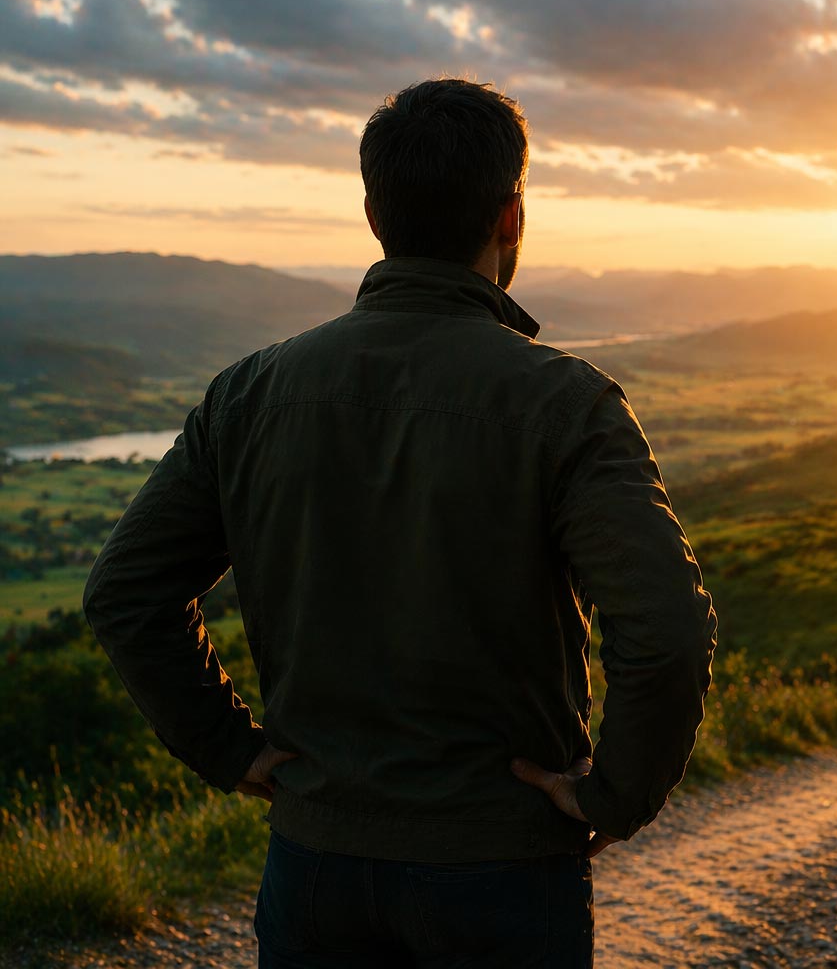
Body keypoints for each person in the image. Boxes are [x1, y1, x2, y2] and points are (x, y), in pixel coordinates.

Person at [82, 77, 718, 967]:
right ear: (510, 217)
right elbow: (668, 633)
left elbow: (124, 594)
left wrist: (230, 748)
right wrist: (614, 796)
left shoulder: (250, 393)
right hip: (500, 870)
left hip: (314, 869)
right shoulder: (566, 404)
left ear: (375, 216)